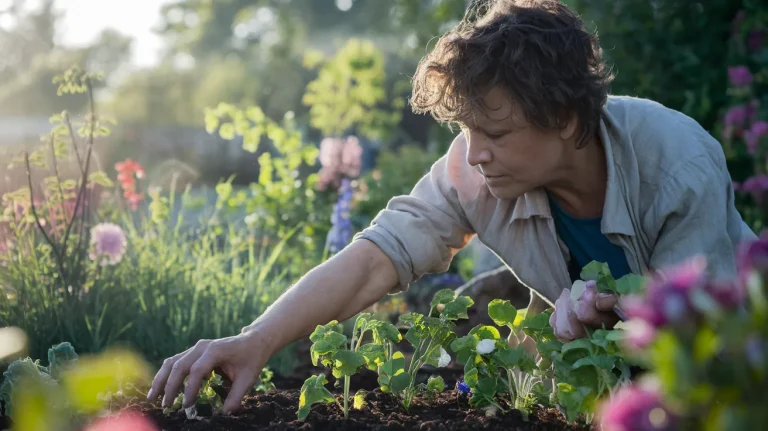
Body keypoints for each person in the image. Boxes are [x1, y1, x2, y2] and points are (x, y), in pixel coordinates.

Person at [147, 0, 756, 414]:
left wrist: (622, 314)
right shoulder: (475, 172)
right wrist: (256, 340)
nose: (475, 154)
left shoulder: (677, 162)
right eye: (466, 129)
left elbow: (704, 342)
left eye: (496, 133)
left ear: (567, 120)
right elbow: (374, 258)